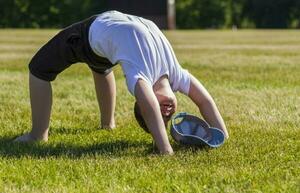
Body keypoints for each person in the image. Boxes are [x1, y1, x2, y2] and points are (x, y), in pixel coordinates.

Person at [15, 11, 229, 154]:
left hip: (89, 35)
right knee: (100, 64)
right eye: (169, 116)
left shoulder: (140, 76)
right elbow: (205, 101)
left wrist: (164, 149)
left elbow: (150, 105)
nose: (166, 112)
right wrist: (221, 135)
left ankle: (37, 135)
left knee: (39, 68)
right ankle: (102, 124)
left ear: (141, 101)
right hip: (114, 25)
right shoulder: (176, 76)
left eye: (158, 114)